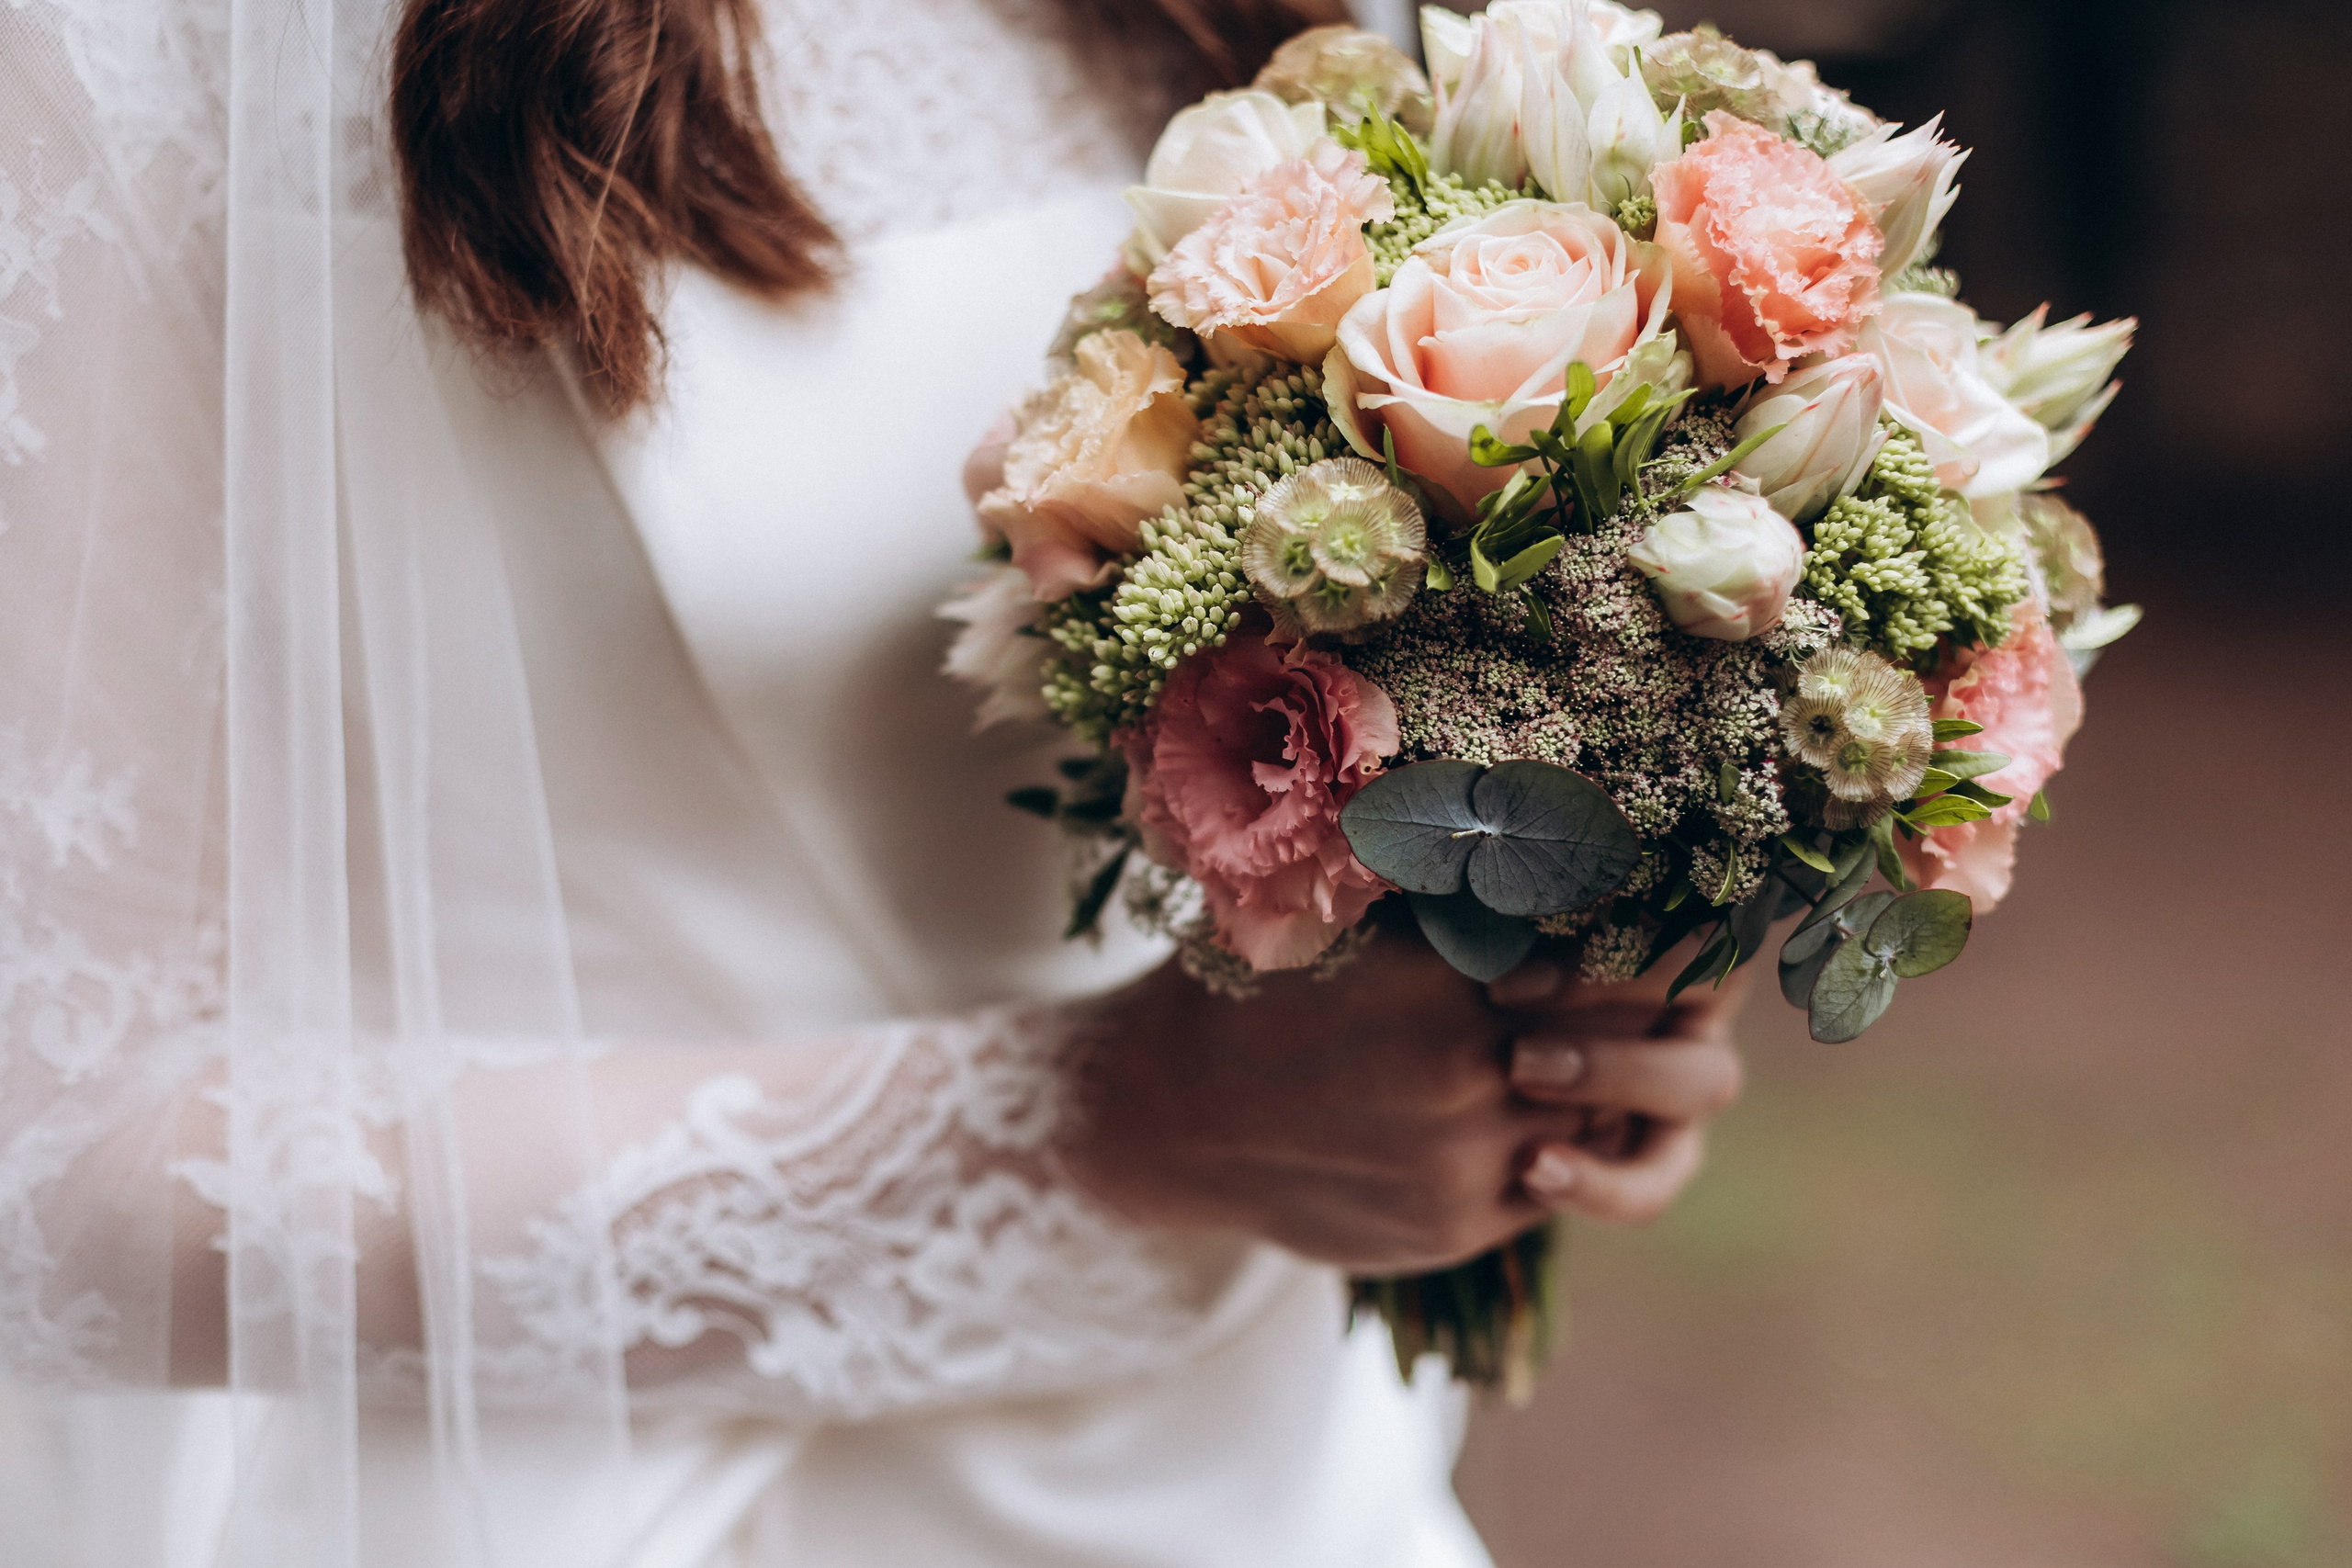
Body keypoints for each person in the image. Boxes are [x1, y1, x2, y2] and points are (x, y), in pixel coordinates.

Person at [0, 0, 1746, 1562]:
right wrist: (1107, 1130)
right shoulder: (153, 50)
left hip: (1253, 1474)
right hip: (576, 1494)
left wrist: (1520, 1027)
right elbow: (54, 1166)